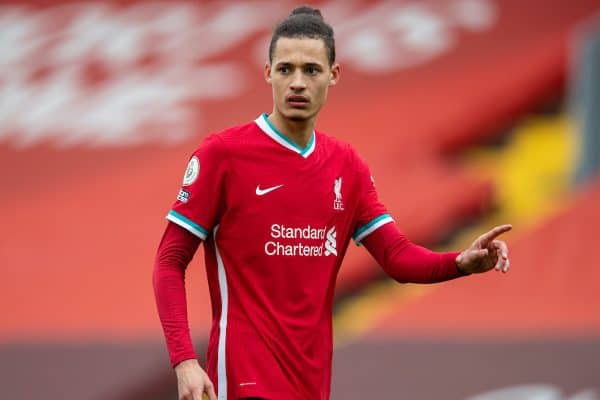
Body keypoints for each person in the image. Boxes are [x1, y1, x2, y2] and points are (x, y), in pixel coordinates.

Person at [152, 6, 511, 400]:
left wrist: (460, 262)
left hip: (312, 382)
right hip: (243, 379)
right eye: (286, 69)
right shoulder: (223, 154)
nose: (298, 83)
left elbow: (397, 256)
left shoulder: (347, 166)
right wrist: (184, 360)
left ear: (333, 75)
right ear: (268, 73)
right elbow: (170, 259)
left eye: (311, 70)